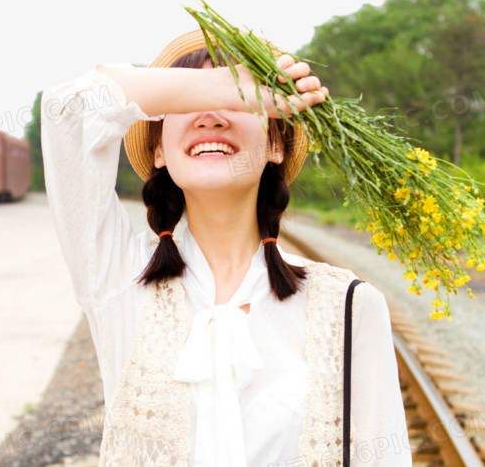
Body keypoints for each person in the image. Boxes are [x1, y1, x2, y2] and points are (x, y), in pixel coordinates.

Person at [40, 29, 411, 466]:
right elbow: (67, 111)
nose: (210, 117)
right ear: (159, 150)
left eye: (240, 104)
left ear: (275, 144)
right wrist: (227, 87)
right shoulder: (118, 276)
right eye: (186, 105)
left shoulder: (349, 307)